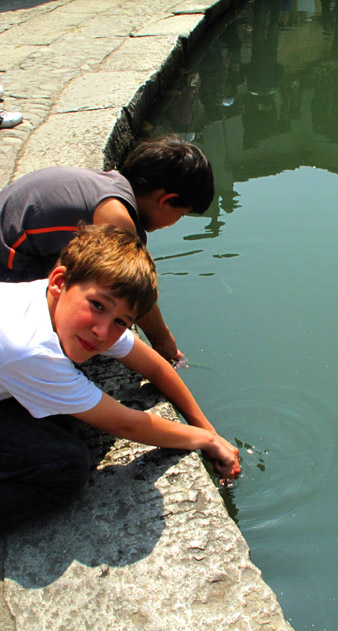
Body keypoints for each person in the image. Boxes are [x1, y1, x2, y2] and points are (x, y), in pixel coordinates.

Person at [0, 223, 240, 531]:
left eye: (120, 322)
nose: (102, 331)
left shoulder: (54, 300)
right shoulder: (31, 349)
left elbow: (154, 367)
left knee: (65, 416)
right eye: (97, 306)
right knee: (68, 468)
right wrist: (204, 440)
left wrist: (208, 429)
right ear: (59, 282)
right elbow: (126, 423)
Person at [0, 134, 215, 361]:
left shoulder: (111, 184)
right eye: (180, 214)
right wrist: (165, 344)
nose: (175, 221)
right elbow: (133, 289)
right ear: (166, 200)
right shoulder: (116, 217)